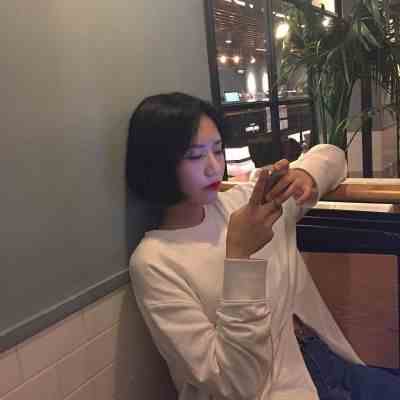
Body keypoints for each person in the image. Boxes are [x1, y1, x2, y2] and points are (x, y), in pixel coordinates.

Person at [126, 92, 400, 400]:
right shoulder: (155, 262)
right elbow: (234, 385)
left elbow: (333, 157)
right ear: (158, 164)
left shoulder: (245, 203)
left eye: (217, 150)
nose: (214, 167)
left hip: (321, 361)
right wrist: (240, 257)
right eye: (194, 156)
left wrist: (304, 174)